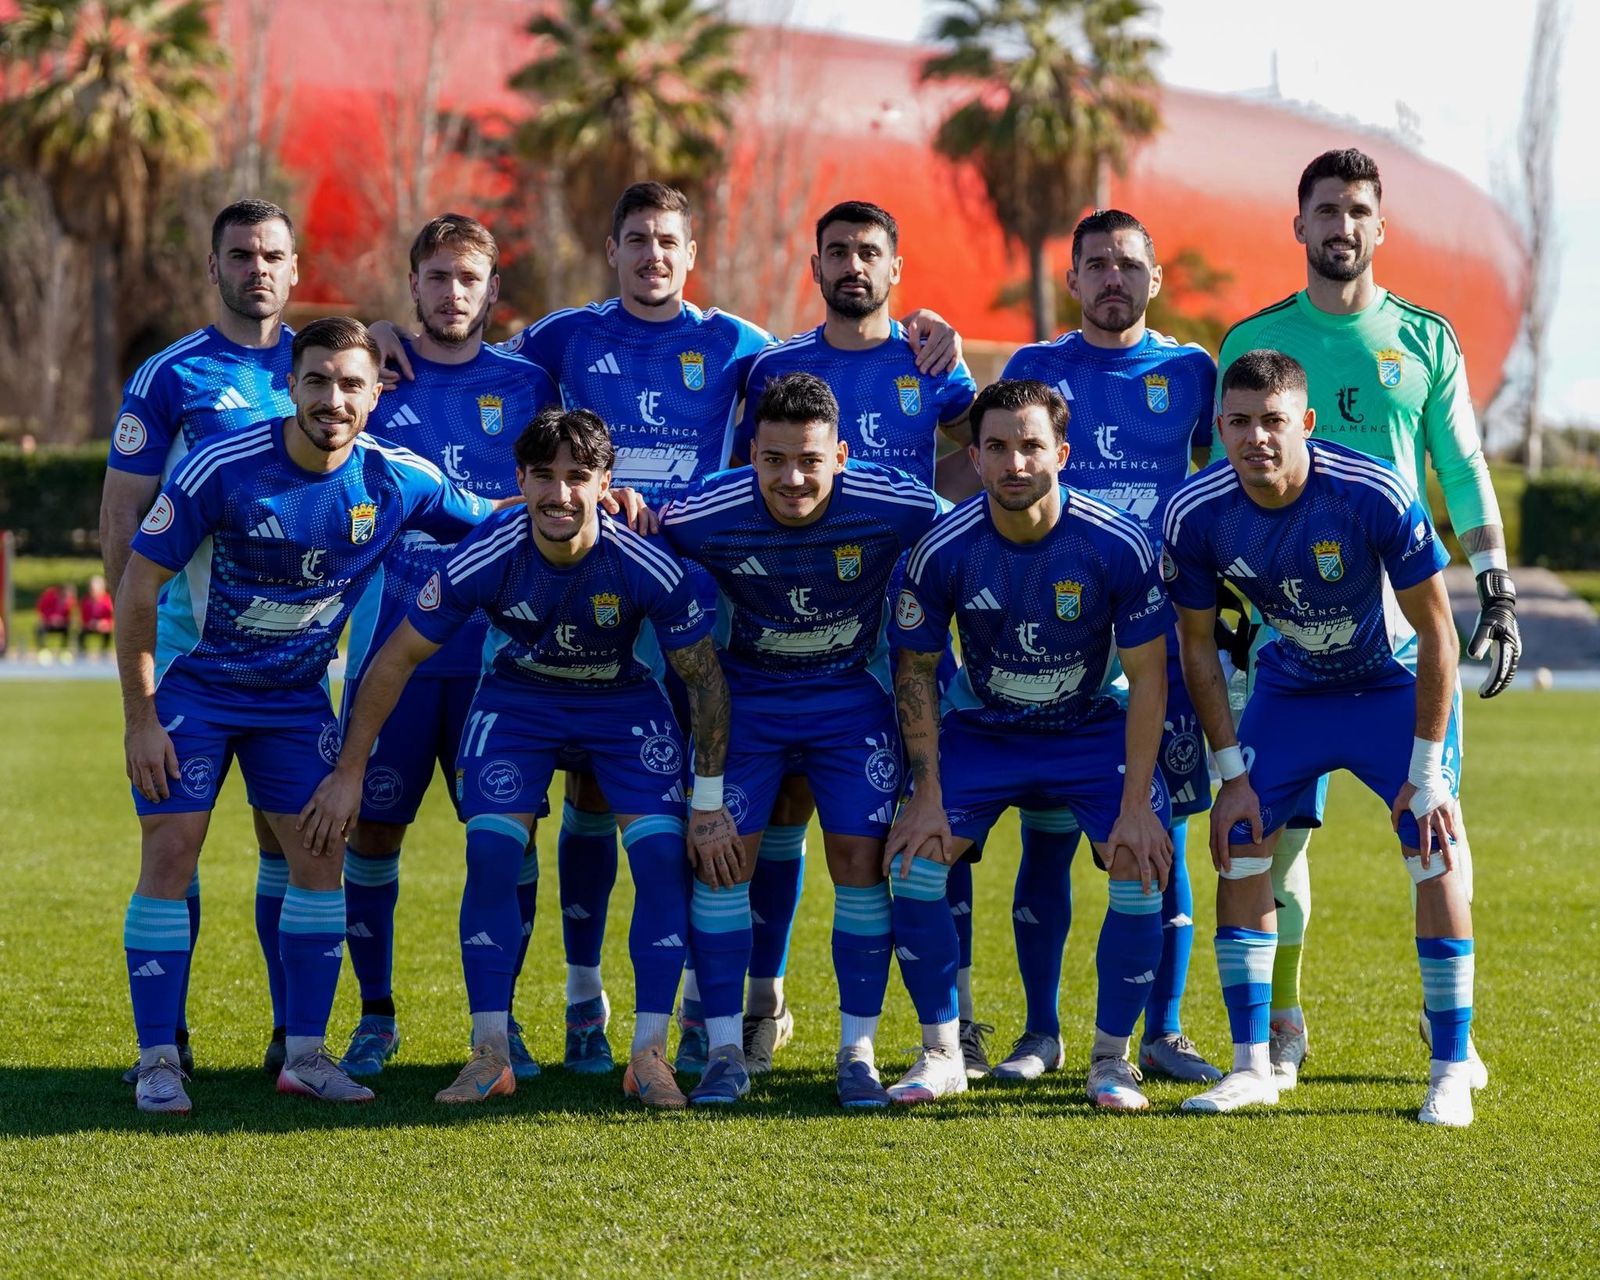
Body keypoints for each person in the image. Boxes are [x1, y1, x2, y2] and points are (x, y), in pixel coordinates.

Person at [370, 182, 962, 1075]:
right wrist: (386, 335)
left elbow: (890, 392)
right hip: (588, 586)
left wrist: (930, 328)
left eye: (668, 241)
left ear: (693, 254)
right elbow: (465, 355)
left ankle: (742, 1000)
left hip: (704, 595)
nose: (653, 255)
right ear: (613, 250)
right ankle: (585, 999)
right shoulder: (561, 339)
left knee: (757, 804)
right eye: (637, 238)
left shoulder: (744, 348)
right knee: (594, 799)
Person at [301, 406, 738, 1109]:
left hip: (621, 703)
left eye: (577, 477)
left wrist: (709, 805)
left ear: (605, 483)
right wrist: (350, 770)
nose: (559, 494)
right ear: (520, 480)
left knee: (661, 858)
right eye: (543, 476)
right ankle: (490, 1053)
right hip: (520, 702)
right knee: (492, 854)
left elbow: (705, 682)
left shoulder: (646, 563)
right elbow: (397, 657)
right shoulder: (488, 551)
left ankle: (648, 1055)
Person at [113, 317, 494, 1115]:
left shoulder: (397, 479)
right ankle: (157, 1061)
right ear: (289, 386)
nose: (333, 398)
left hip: (293, 702)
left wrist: (598, 503)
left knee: (321, 853)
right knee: (172, 850)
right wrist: (141, 719)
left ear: (375, 393)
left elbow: (497, 518)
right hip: (199, 689)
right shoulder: (223, 466)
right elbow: (139, 585)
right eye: (317, 380)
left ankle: (306, 1056)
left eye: (351, 383)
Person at [1217, 149, 1510, 1087]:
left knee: (1438, 832)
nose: (1341, 226)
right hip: (1288, 642)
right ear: (1297, 225)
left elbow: (1461, 465)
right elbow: (1222, 484)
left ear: (1380, 227)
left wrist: (1496, 584)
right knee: (1273, 843)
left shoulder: (1424, 338)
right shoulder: (1253, 340)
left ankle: (1450, 1033)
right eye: (1326, 210)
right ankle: (1283, 1022)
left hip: (1400, 641)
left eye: (1357, 211)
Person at [1165, 349, 1476, 1126]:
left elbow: (1440, 633)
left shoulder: (1371, 490)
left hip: (1388, 685)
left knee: (1432, 842)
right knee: (1240, 840)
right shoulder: (1195, 512)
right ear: (1220, 428)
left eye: (1273, 421)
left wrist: (1428, 770)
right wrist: (1231, 773)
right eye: (1239, 422)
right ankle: (1252, 1066)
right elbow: (1196, 648)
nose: (1257, 438)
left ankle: (1448, 1071)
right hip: (1294, 686)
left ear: (1305, 422)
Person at [721, 200, 976, 1075]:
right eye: (838, 252)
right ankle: (762, 1003)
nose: (853, 266)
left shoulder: (930, 359)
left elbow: (981, 452)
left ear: (896, 268)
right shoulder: (774, 366)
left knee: (932, 811)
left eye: (870, 252)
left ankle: (955, 1019)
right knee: (784, 808)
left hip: (909, 625)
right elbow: (741, 481)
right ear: (817, 267)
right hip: (800, 622)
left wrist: (933, 511)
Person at [889, 378, 1175, 1111]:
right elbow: (915, 672)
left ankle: (1111, 1060)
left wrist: (1137, 805)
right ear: (975, 457)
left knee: (1140, 862)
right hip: (987, 729)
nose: (1014, 463)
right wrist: (925, 795)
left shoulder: (1116, 542)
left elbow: (1149, 677)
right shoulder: (942, 548)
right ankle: (942, 1053)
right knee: (915, 860)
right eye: (997, 447)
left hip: (1089, 728)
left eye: (1031, 446)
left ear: (1062, 454)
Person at [659, 372, 941, 1107]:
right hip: (746, 703)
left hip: (849, 701)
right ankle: (724, 1049)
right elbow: (639, 530)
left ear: (841, 456)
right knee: (722, 863)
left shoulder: (895, 503)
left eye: (811, 461)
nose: (792, 479)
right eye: (774, 460)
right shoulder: (707, 511)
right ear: (750, 454)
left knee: (860, 862)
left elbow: (966, 535)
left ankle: (858, 1051)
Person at [987, 209, 1221, 1085]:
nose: (1113, 278)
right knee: (1047, 835)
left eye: (1128, 264)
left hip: (1161, 641)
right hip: (1060, 640)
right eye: (1097, 265)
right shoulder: (1035, 367)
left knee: (1164, 835)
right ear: (1074, 280)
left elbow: (1221, 479)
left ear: (1154, 278)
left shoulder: (1192, 371)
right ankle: (1039, 1034)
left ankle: (1164, 1031)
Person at [333, 214, 558, 1081]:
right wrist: (372, 337)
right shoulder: (373, 379)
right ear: (413, 285)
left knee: (506, 838)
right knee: (372, 833)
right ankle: (376, 1016)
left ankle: (501, 1021)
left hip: (501, 660)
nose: (453, 293)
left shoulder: (532, 383)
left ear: (494, 290)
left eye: (469, 278)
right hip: (390, 651)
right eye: (437, 276)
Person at [100, 198, 301, 1078]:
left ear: (294, 268)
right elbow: (122, 517)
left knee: (288, 842)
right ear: (213, 267)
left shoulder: (326, 365)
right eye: (241, 255)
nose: (257, 269)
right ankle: (165, 1043)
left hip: (293, 660)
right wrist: (136, 661)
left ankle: (292, 1037)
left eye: (272, 255)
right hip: (188, 655)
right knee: (173, 846)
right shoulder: (171, 375)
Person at [78, 574, 115, 653]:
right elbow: (83, 618)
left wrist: (105, 623)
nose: (92, 591)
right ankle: (82, 652)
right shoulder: (86, 601)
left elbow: (113, 618)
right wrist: (90, 624)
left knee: (107, 634)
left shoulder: (108, 601)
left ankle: (105, 651)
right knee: (81, 634)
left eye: (94, 589)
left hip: (105, 627)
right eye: (91, 589)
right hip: (91, 626)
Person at [35, 583, 74, 649]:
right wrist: (50, 619)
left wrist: (62, 621)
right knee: (39, 628)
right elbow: (41, 609)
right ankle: (42, 649)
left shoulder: (70, 601)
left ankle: (64, 649)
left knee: (70, 628)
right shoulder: (50, 596)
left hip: (62, 624)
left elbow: (70, 616)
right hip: (48, 622)